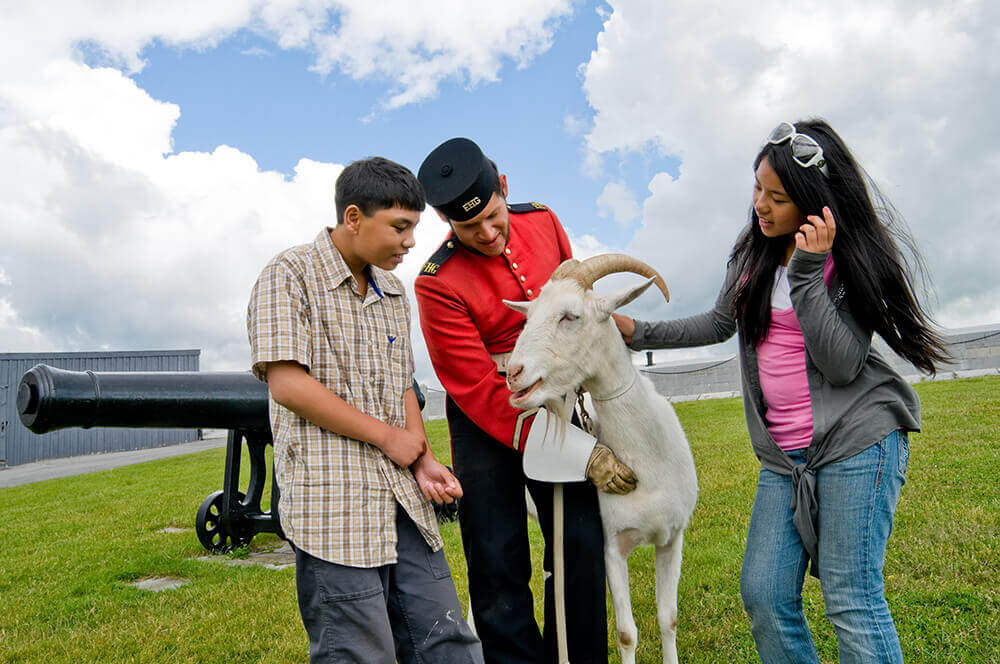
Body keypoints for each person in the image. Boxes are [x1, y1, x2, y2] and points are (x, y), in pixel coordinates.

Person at [615, 119, 949, 663]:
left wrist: (809, 270)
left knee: (851, 598)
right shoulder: (753, 254)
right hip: (783, 458)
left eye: (777, 197)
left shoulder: (845, 260)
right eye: (757, 189)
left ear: (814, 202)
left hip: (857, 443)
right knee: (765, 594)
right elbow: (721, 323)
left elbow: (841, 365)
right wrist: (641, 333)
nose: (760, 206)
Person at [246, 156, 483, 664]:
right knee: (359, 652)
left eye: (415, 227)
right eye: (400, 227)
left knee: (448, 642)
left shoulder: (394, 291)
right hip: (334, 506)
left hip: (401, 498)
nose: (410, 241)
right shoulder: (287, 275)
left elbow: (402, 385)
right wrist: (385, 437)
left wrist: (420, 457)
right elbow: (287, 384)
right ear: (353, 217)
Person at [413, 137, 636, 664]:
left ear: (504, 188)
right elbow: (477, 389)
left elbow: (572, 306)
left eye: (493, 217)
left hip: (557, 399)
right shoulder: (436, 283)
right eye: (470, 229)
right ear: (448, 225)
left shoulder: (543, 220)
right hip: (487, 416)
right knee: (497, 559)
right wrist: (580, 452)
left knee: (580, 546)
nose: (488, 235)